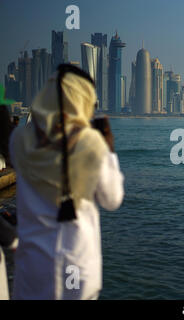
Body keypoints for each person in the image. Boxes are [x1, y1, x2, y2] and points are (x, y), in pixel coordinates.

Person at [9, 64, 124, 300]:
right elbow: (112, 199)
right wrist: (109, 150)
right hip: (78, 271)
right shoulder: (91, 143)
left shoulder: (20, 139)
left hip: (33, 268)